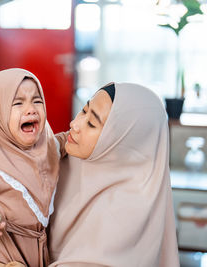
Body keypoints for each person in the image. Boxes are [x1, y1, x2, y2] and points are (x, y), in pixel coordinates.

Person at [49, 82, 179, 266]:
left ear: (123, 143)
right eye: (84, 111)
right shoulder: (69, 161)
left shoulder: (129, 212)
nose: (74, 124)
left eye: (92, 123)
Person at [0, 68, 65, 267]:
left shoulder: (49, 146)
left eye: (37, 100)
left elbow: (69, 140)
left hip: (40, 245)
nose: (31, 109)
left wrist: (85, 131)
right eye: (18, 103)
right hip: (6, 250)